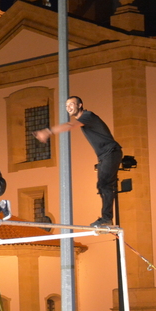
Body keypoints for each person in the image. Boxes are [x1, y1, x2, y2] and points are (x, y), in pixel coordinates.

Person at [33, 95, 122, 227]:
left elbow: (71, 125)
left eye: (72, 104)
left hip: (111, 152)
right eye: (67, 106)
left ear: (80, 105)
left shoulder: (88, 115)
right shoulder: (86, 119)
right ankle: (106, 218)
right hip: (106, 155)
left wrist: (48, 132)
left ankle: (106, 218)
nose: (68, 108)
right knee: (102, 186)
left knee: (105, 185)